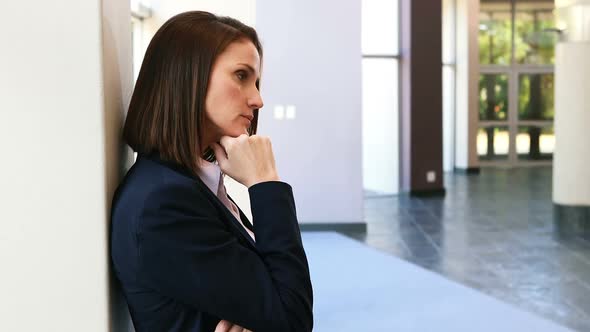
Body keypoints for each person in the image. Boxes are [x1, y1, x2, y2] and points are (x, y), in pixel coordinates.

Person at [110, 11, 313, 332]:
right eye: (241, 76)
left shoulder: (191, 181)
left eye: (257, 81)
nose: (258, 99)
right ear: (187, 77)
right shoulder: (161, 204)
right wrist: (265, 183)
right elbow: (292, 319)